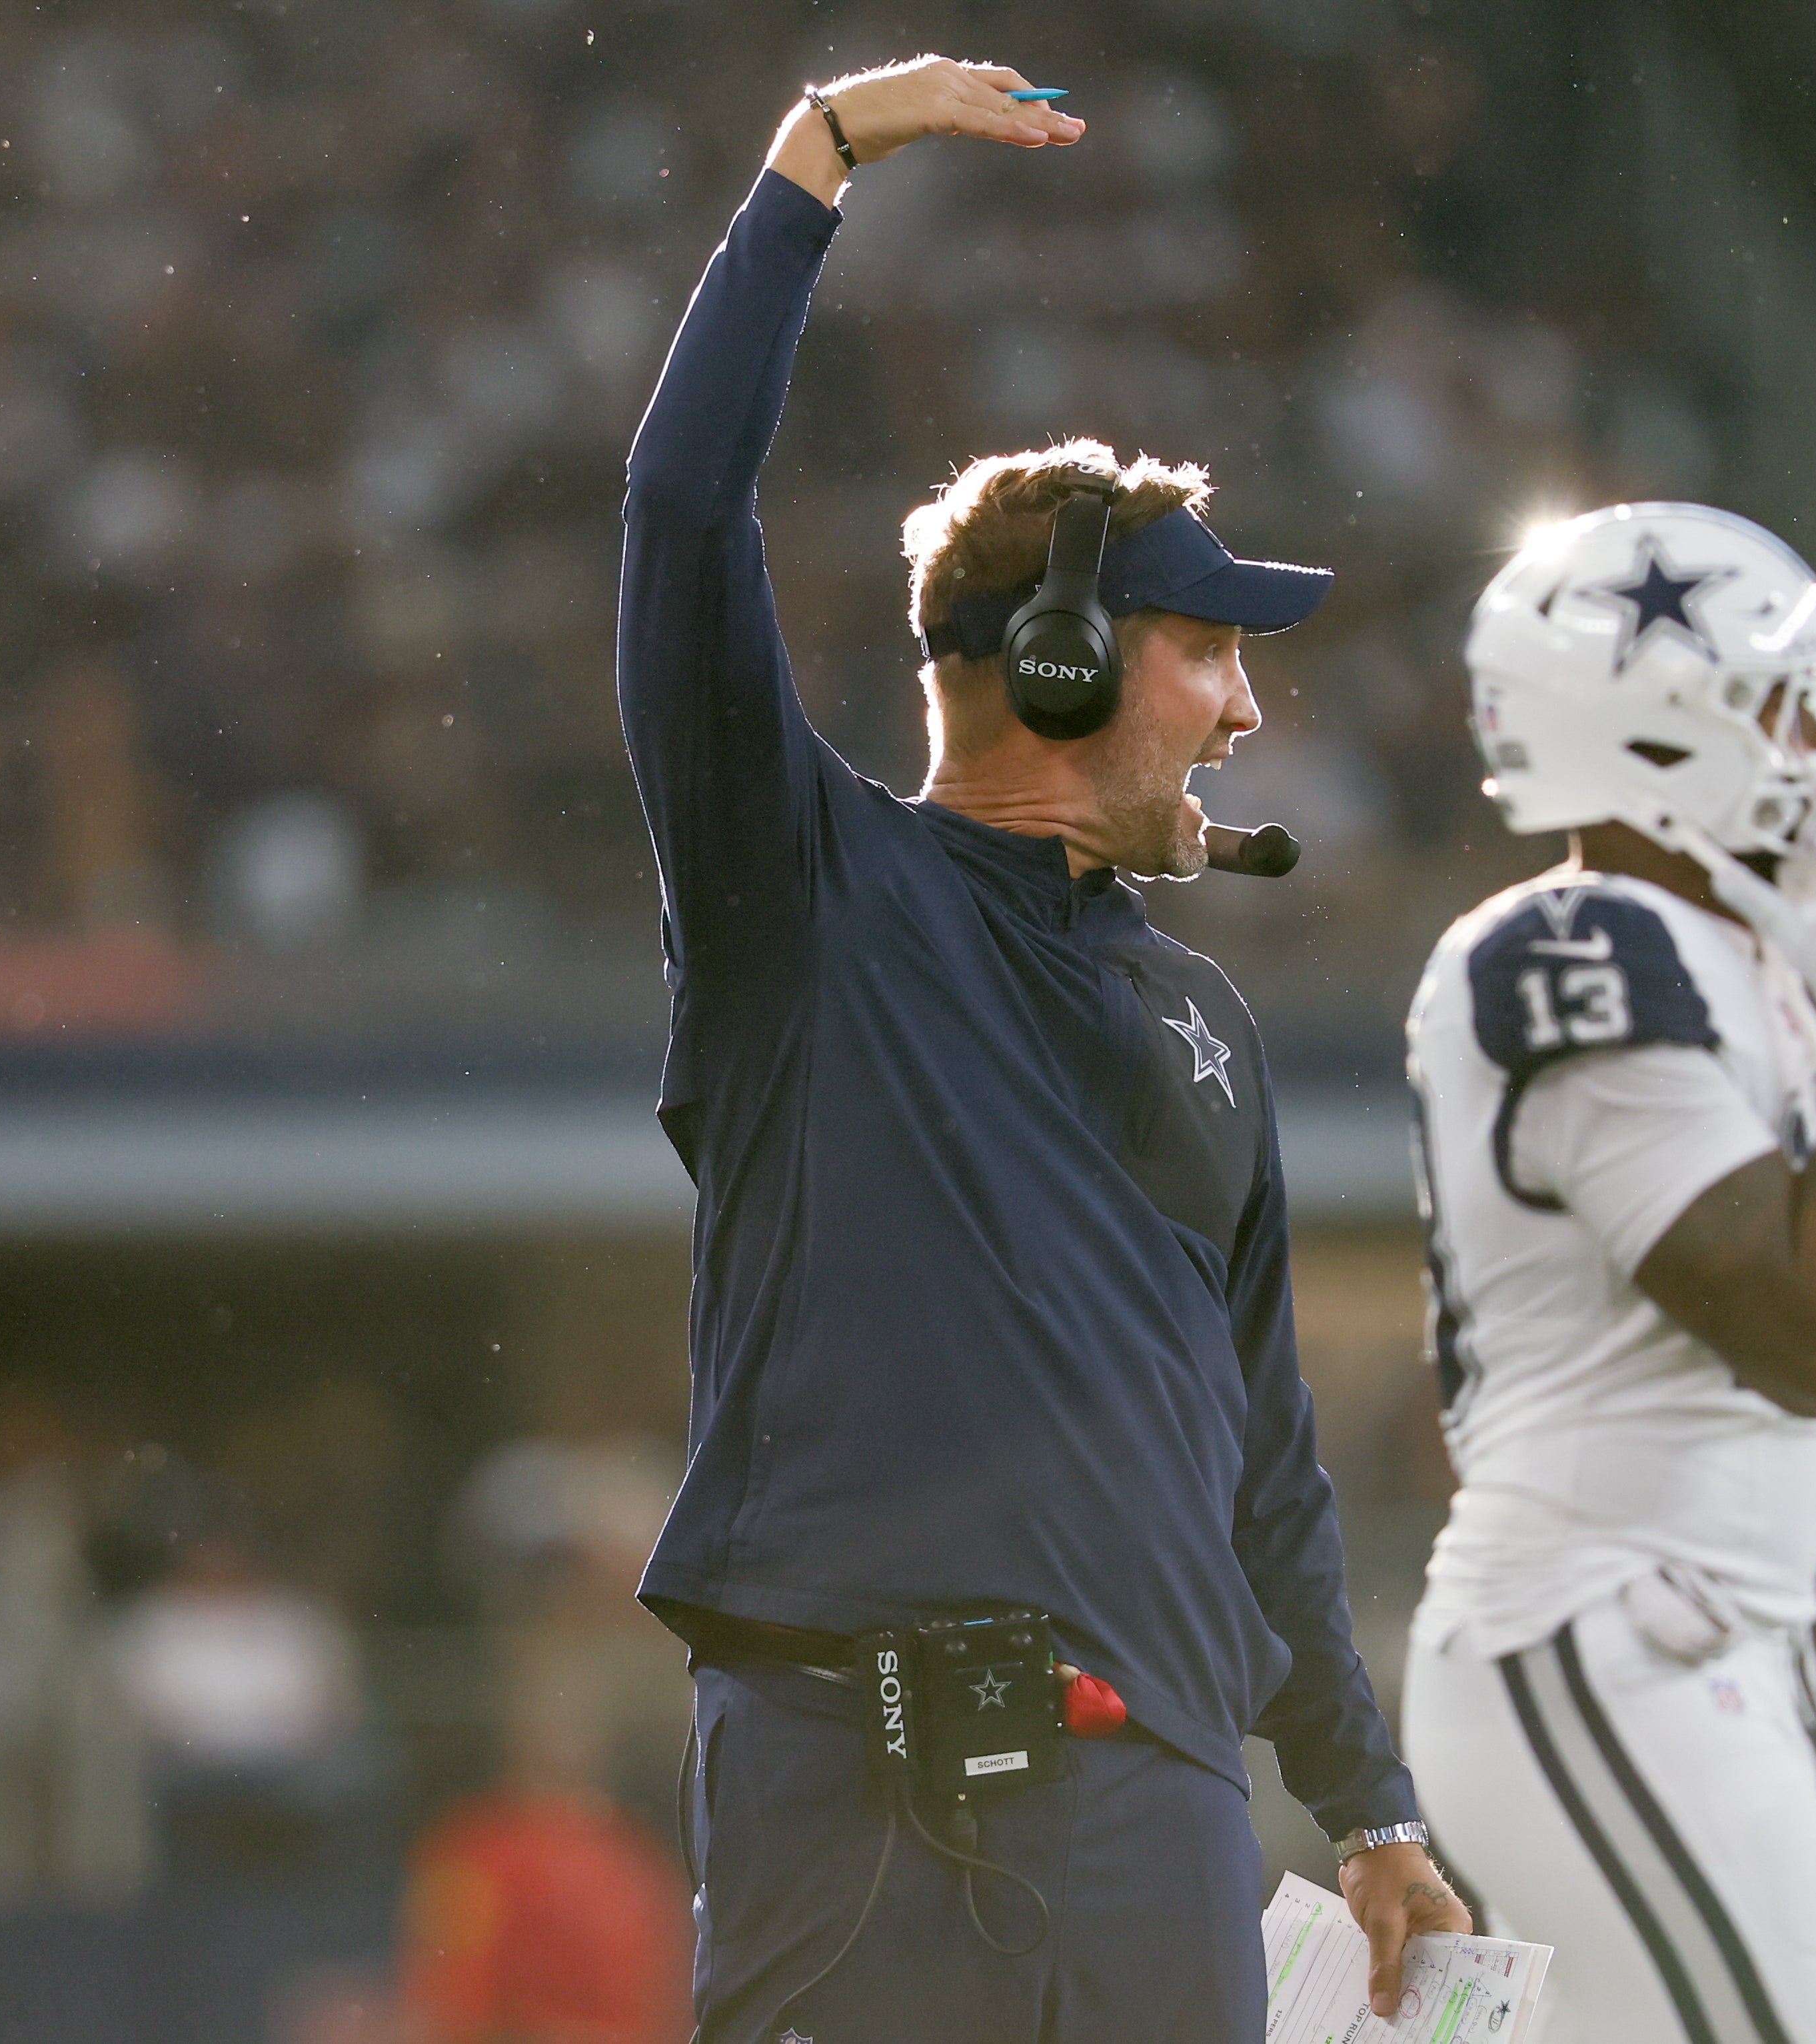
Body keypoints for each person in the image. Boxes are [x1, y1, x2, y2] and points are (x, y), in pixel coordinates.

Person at [615, 59, 1465, 2044]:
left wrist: (1367, 1798)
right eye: (1210, 648)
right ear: (1061, 658)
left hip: (1156, 1793)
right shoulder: (806, 891)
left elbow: (1268, 1464)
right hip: (851, 1762)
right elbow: (676, 509)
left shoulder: (1206, 1017)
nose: (1247, 710)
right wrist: (813, 164)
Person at [1399, 504, 1816, 2043]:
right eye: (1778, 700)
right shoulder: (1574, 948)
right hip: (1598, 1629)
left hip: (1703, 1648)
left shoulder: (1749, 963)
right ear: (1653, 733)